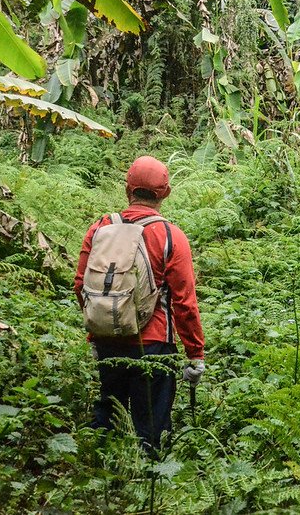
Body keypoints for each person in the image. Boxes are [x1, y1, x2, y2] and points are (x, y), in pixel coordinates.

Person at [74, 156, 205, 448]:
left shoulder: (100, 228)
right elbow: (184, 303)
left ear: (127, 189)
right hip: (155, 345)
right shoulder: (172, 236)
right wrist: (195, 354)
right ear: (165, 193)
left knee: (107, 421)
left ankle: (99, 475)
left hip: (108, 341)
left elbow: (82, 285)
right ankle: (149, 480)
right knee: (151, 434)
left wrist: (98, 331)